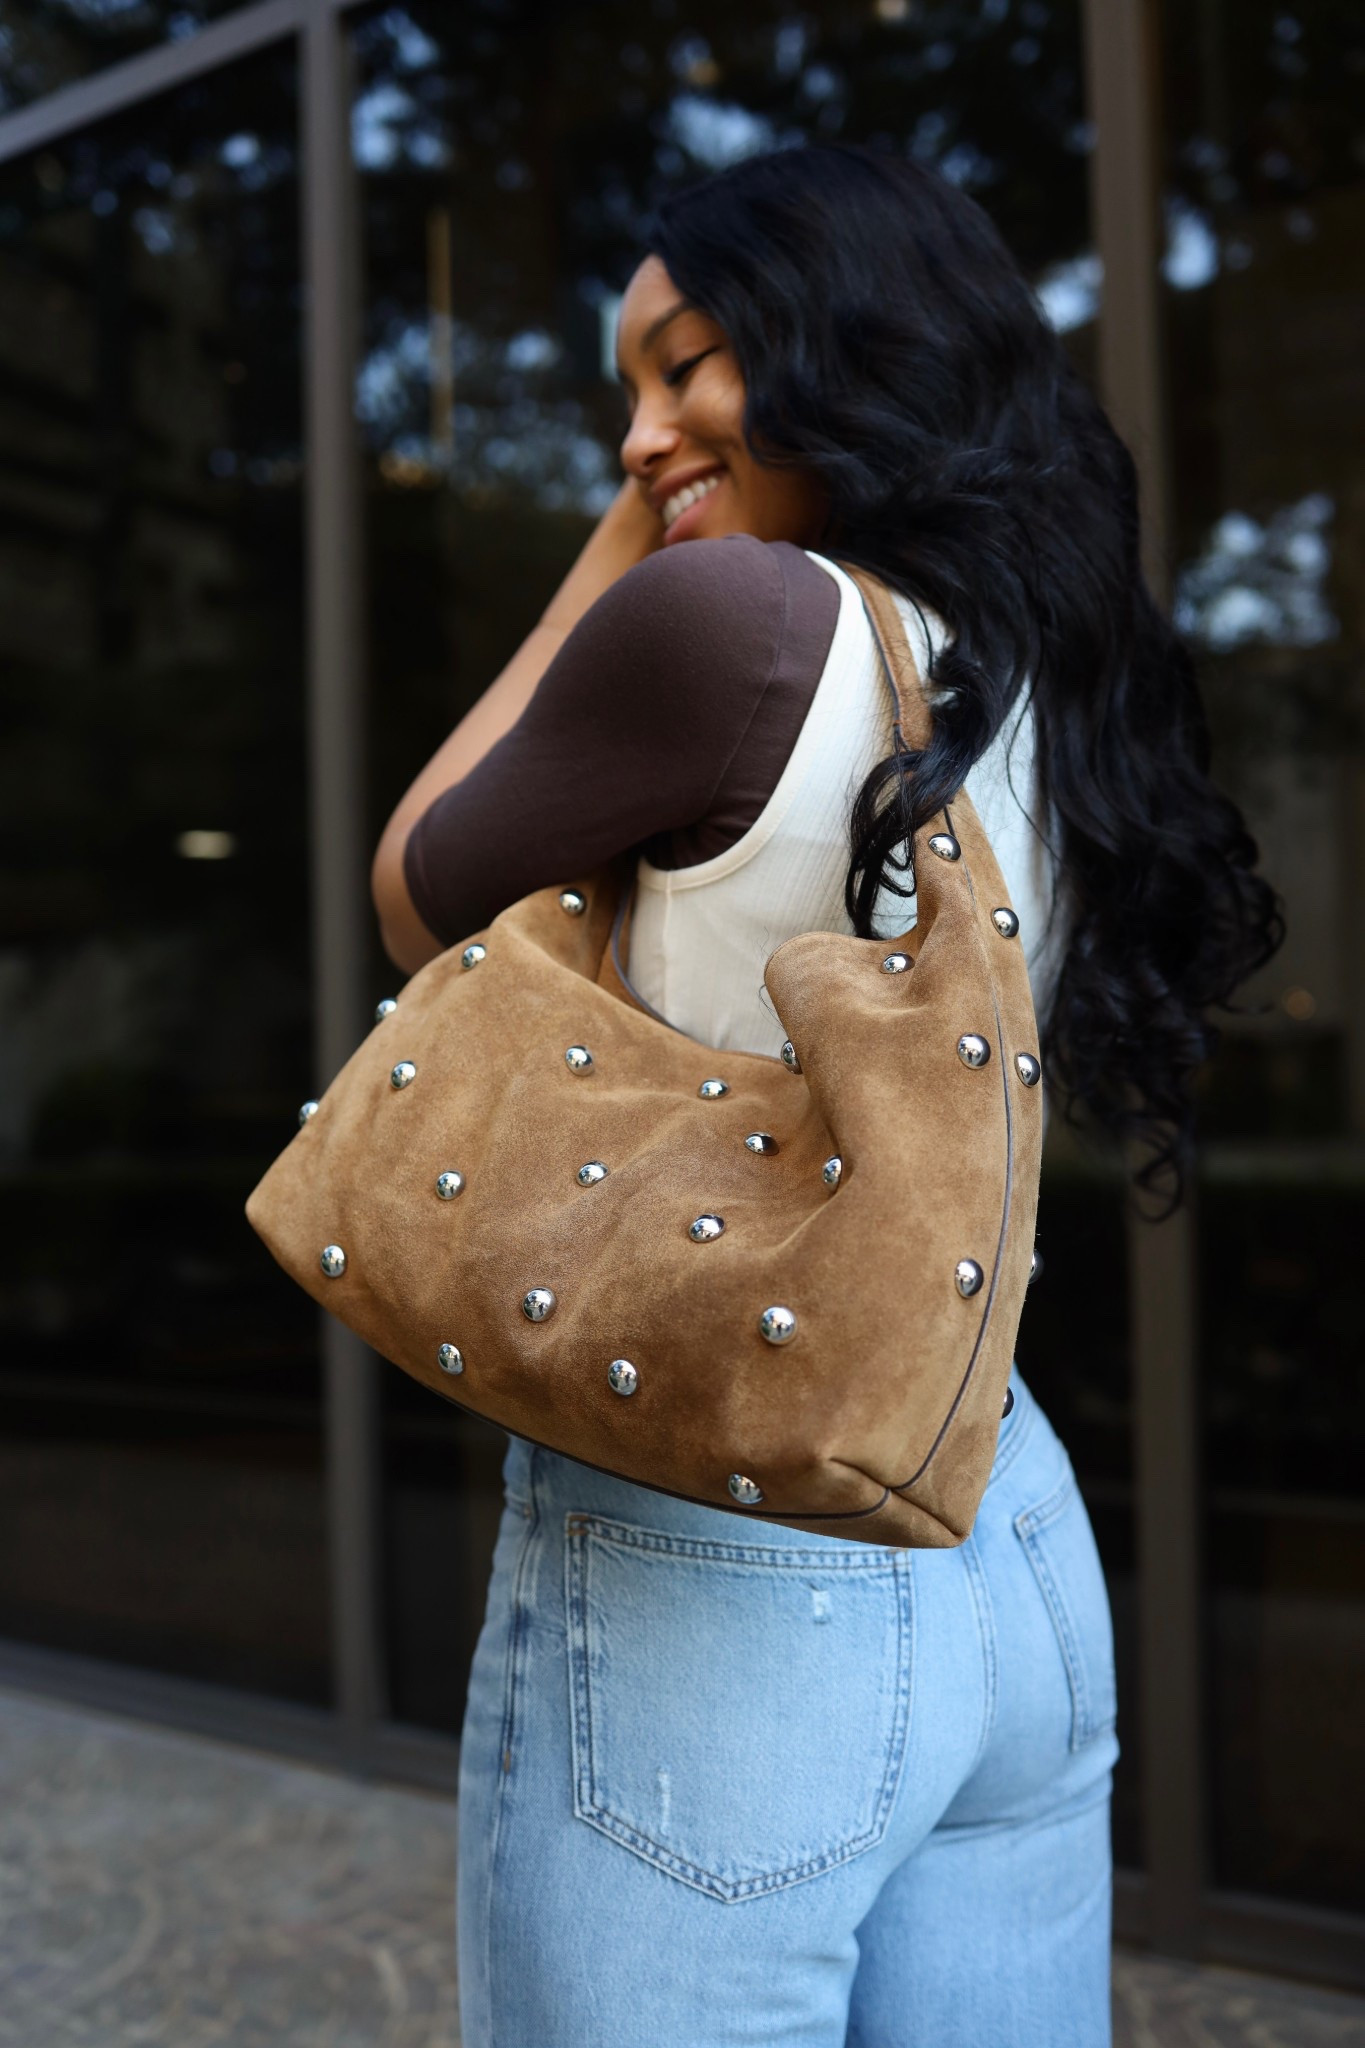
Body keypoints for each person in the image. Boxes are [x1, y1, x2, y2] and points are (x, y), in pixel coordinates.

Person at [371, 144, 1280, 2048]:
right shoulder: (1039, 665)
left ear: (837, 345)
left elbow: (416, 881)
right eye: (624, 391)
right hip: (999, 1515)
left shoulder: (727, 628)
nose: (639, 433)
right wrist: (688, 461)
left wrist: (632, 533)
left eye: (684, 365)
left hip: (722, 1561)